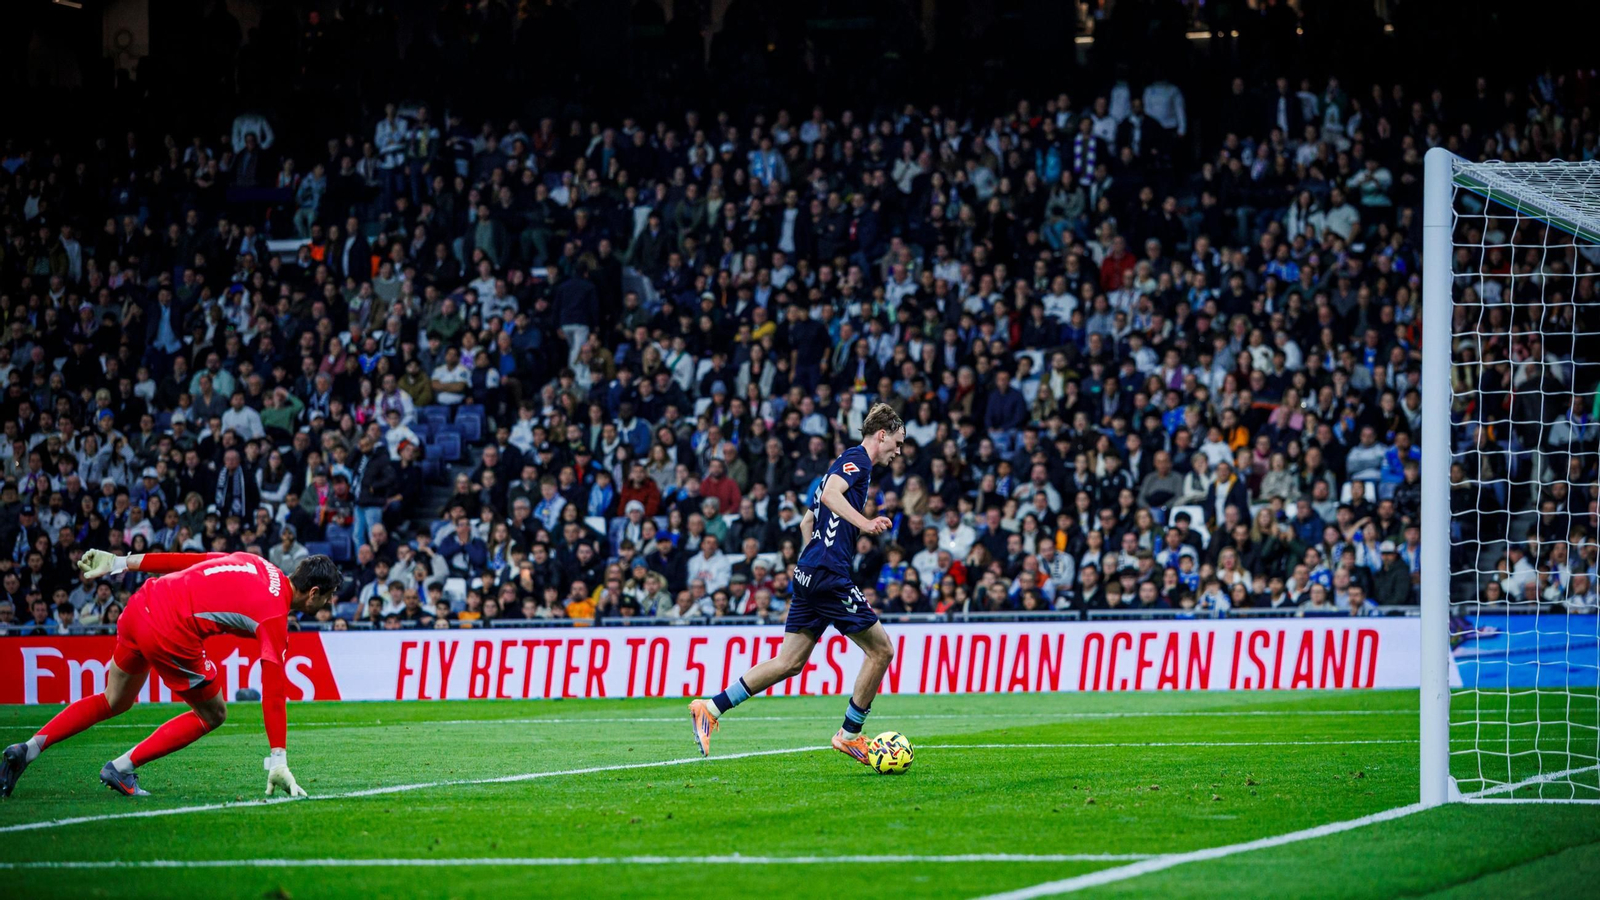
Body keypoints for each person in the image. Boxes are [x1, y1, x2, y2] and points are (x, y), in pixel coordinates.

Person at [0, 550, 342, 799]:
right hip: (171, 630)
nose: (326, 606)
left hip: (142, 603)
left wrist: (121, 563)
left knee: (113, 699)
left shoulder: (256, 562)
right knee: (213, 714)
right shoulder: (274, 618)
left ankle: (27, 749)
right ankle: (120, 768)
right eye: (327, 599)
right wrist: (278, 757)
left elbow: (187, 559)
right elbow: (274, 687)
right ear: (313, 592)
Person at [689, 403, 903, 766]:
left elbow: (808, 520)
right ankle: (850, 736)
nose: (898, 450)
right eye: (897, 442)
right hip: (828, 575)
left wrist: (811, 558)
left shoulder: (838, 465)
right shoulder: (858, 461)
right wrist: (864, 525)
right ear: (881, 435)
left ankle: (710, 707)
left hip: (810, 573)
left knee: (789, 662)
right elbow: (832, 497)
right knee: (882, 651)